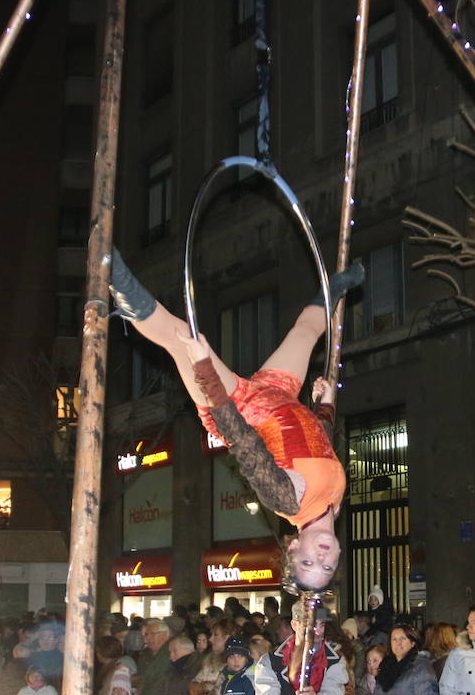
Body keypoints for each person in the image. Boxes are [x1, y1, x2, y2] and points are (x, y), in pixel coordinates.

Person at [109, 251, 360, 591]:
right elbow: (320, 447)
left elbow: (243, 442)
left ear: (293, 547)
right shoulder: (335, 502)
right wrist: (325, 407)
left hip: (235, 409)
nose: (322, 557)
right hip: (280, 393)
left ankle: (116, 278)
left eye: (308, 562)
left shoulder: (286, 501)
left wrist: (205, 371)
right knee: (305, 333)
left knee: (184, 339)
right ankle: (333, 289)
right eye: (327, 567)